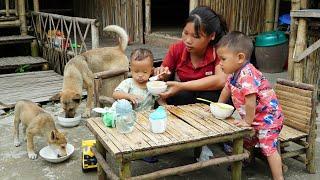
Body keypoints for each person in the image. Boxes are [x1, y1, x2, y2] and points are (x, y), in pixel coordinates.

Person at [216, 31, 284, 180]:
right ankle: (248, 159)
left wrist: (247, 122)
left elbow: (251, 102)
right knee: (245, 139)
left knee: (268, 148)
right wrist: (217, 106)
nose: (219, 63)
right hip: (255, 118)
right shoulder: (234, 73)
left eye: (223, 59)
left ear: (240, 58)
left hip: (269, 119)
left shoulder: (247, 75)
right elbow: (226, 89)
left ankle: (279, 177)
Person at [154, 6, 228, 105]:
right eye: (186, 33)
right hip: (184, 98)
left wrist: (182, 86)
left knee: (219, 97)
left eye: (196, 36)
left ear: (212, 36)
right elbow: (165, 75)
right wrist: (162, 74)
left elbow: (221, 80)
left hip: (207, 99)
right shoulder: (176, 48)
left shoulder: (219, 51)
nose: (188, 40)